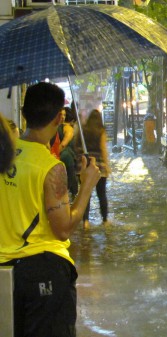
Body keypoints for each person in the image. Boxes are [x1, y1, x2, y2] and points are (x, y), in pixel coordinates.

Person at [0, 82, 101, 337]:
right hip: (43, 272)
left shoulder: (4, 155)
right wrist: (87, 185)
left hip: (4, 270)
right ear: (60, 116)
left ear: (24, 113)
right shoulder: (51, 167)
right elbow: (63, 229)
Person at [76, 109, 111, 228]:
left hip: (85, 165)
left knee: (86, 193)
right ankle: (105, 220)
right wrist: (107, 167)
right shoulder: (101, 131)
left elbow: (77, 146)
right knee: (102, 194)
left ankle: (85, 221)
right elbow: (103, 149)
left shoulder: (83, 130)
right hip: (99, 165)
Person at [58, 107, 79, 198]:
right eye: (60, 115)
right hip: (66, 158)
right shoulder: (66, 128)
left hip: (65, 157)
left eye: (64, 115)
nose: (62, 117)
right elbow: (63, 144)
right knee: (70, 179)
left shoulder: (64, 127)